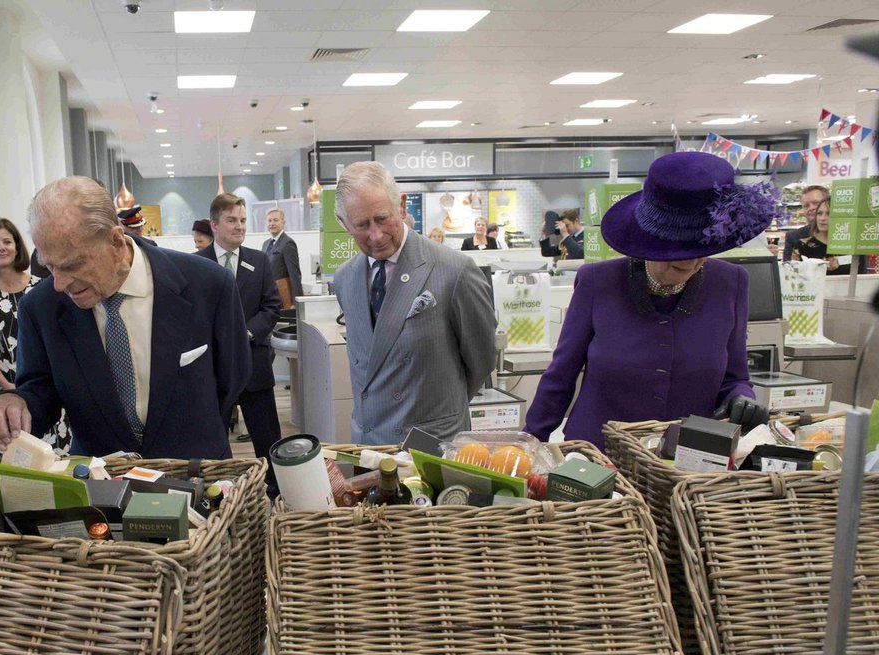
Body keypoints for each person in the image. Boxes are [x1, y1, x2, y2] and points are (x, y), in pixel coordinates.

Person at [0, 177, 251, 459]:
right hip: (102, 483)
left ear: (116, 241)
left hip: (199, 473)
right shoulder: (40, 307)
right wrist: (15, 402)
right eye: (49, 266)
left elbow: (233, 377)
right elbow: (40, 392)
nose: (59, 283)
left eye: (72, 265)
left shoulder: (208, 284)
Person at [525, 151, 771, 451]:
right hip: (598, 455)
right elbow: (561, 374)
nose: (692, 263)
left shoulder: (730, 283)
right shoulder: (598, 282)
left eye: (703, 249)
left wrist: (742, 397)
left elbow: (734, 377)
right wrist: (530, 444)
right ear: (648, 240)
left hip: (689, 460)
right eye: (677, 251)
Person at [333, 161, 498, 444]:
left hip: (430, 444)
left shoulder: (455, 271)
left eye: (383, 218)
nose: (376, 235)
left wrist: (441, 411)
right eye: (361, 225)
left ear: (401, 204)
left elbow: (481, 361)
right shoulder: (345, 279)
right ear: (343, 222)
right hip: (369, 444)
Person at [0, 218, 71, 460]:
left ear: (17, 246)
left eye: (6, 241)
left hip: (42, 387)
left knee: (51, 459)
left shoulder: (42, 287)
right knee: (8, 457)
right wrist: (9, 386)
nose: (0, 247)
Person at [197, 193, 282, 491]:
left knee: (267, 436)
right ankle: (220, 491)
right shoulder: (196, 264)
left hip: (253, 365)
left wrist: (244, 333)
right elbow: (193, 315)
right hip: (213, 370)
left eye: (243, 220)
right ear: (215, 225)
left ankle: (274, 490)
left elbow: (272, 307)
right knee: (213, 436)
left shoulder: (259, 261)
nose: (239, 226)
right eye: (232, 220)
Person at [792, 198, 845, 275]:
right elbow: (794, 278)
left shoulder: (850, 246)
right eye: (819, 213)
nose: (822, 218)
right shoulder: (802, 246)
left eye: (829, 214)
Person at [263, 208, 302, 309]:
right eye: (269, 220)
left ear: (283, 222)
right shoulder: (265, 244)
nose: (272, 223)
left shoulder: (288, 243)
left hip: (283, 299)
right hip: (268, 297)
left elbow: (295, 275)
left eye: (275, 220)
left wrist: (296, 302)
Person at [783, 184, 829, 262]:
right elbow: (787, 268)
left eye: (816, 203)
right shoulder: (794, 237)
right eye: (806, 206)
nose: (811, 208)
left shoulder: (844, 234)